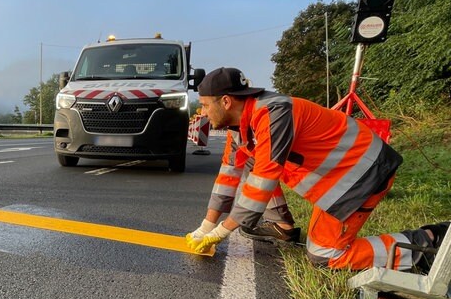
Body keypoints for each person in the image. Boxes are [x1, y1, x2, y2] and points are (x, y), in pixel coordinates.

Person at [185, 67, 445, 271]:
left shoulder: (274, 114)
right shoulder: (240, 128)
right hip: (340, 178)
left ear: (227, 101)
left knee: (325, 256)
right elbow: (228, 176)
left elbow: (263, 179)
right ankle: (282, 226)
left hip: (364, 175)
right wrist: (207, 225)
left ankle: (428, 243)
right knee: (249, 163)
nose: (203, 112)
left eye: (206, 104)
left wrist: (221, 232)